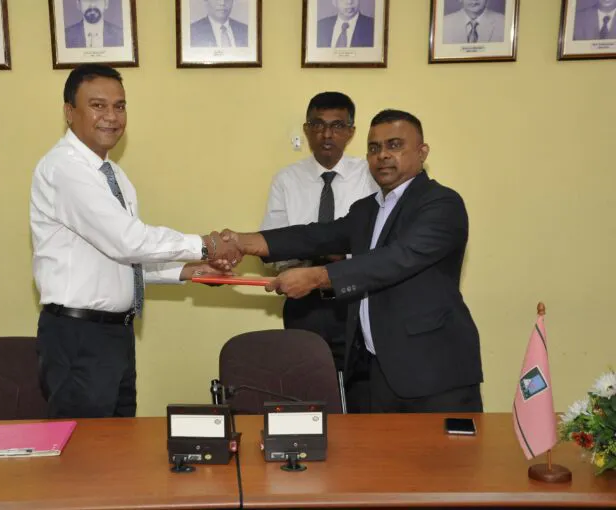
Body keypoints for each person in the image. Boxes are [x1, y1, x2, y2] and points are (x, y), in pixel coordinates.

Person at [223, 109, 483, 414]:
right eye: (374, 148)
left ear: (422, 152)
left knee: (442, 449)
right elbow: (315, 236)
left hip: (433, 373)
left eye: (395, 145)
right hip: (375, 373)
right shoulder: (366, 210)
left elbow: (396, 259)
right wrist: (242, 242)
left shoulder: (441, 203)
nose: (382, 155)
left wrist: (318, 277)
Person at [30, 64, 241, 419]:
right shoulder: (65, 168)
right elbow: (127, 241)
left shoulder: (112, 174)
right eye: (98, 106)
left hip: (114, 334)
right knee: (88, 447)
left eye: (120, 106)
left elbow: (122, 257)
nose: (111, 117)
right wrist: (207, 244)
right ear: (69, 112)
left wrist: (188, 270)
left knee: (120, 443)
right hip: (80, 336)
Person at [260, 92, 377, 371]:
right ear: (306, 129)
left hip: (358, 299)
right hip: (304, 303)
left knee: (360, 383)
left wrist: (343, 257)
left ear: (351, 132)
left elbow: (380, 244)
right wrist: (313, 259)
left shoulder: (370, 176)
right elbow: (273, 250)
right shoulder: (287, 180)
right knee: (306, 381)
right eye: (318, 125)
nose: (326, 134)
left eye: (337, 126)